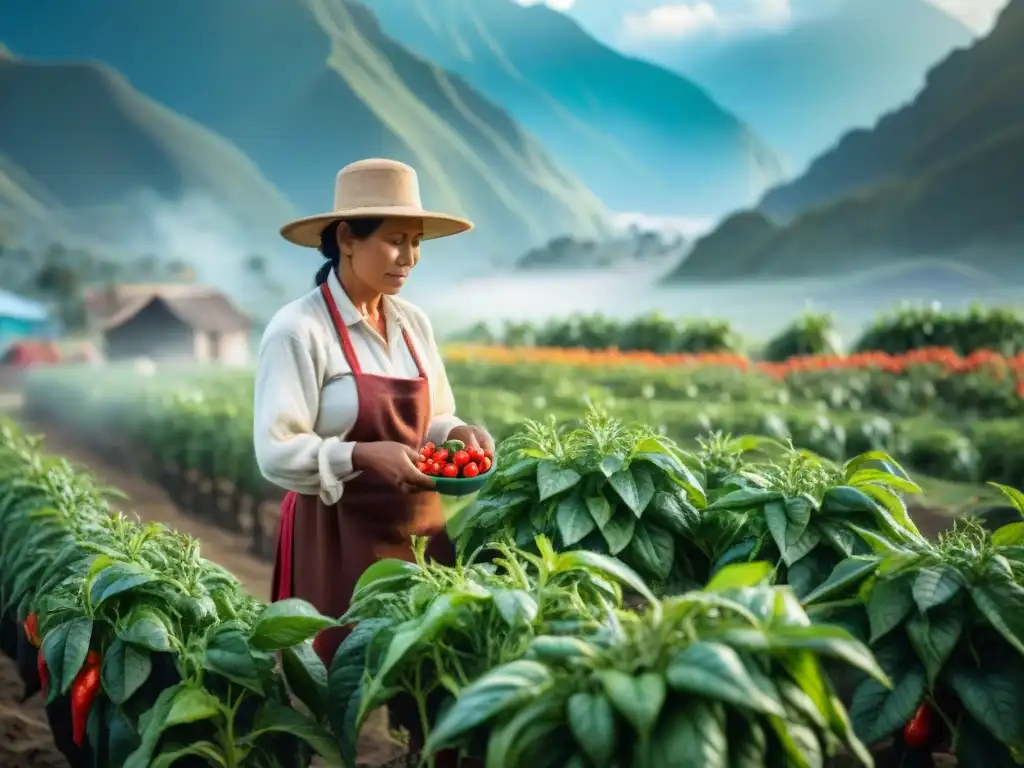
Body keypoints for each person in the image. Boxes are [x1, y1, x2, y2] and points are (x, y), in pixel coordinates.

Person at [254, 161, 493, 764]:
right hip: (337, 537)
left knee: (430, 681)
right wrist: (361, 455)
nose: (408, 258)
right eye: (393, 239)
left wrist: (459, 431)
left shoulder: (413, 324)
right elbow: (277, 451)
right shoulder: (297, 330)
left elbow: (435, 416)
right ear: (345, 239)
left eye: (416, 243)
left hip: (420, 533)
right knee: (335, 691)